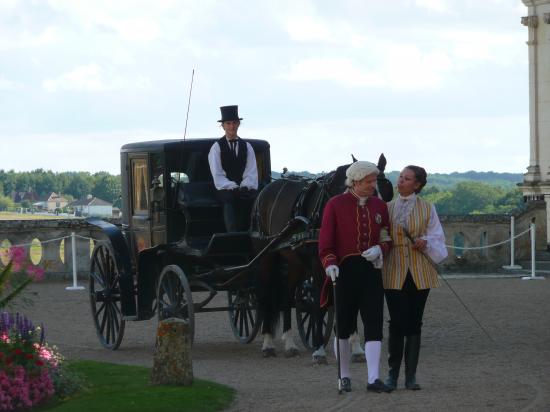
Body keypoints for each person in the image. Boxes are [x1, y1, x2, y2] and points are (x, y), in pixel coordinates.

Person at [318, 161, 393, 393]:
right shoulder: (335, 205)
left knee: (373, 324)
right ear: (356, 181)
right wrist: (330, 264)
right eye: (370, 181)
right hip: (344, 272)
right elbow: (326, 243)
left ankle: (373, 378)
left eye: (374, 181)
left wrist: (381, 249)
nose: (373, 185)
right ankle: (344, 376)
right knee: (344, 325)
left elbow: (386, 236)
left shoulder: (380, 206)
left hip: (371, 272)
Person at [382, 165, 448, 391]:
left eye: (406, 178)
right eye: (400, 177)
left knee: (414, 323)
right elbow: (380, 234)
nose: (400, 181)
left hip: (420, 271)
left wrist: (425, 242)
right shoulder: (386, 208)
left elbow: (437, 236)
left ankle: (410, 376)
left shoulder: (428, 208)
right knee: (396, 322)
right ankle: (392, 375)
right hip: (393, 269)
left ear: (417, 184)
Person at [208, 105, 258, 232]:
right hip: (223, 187)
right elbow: (217, 174)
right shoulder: (216, 148)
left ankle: (253, 231)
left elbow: (251, 171)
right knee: (229, 199)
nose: (232, 126)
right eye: (228, 123)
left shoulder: (247, 147)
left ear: (238, 124)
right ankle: (232, 233)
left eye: (234, 123)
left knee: (253, 197)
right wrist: (233, 187)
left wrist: (245, 186)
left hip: (243, 185)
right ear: (223, 126)